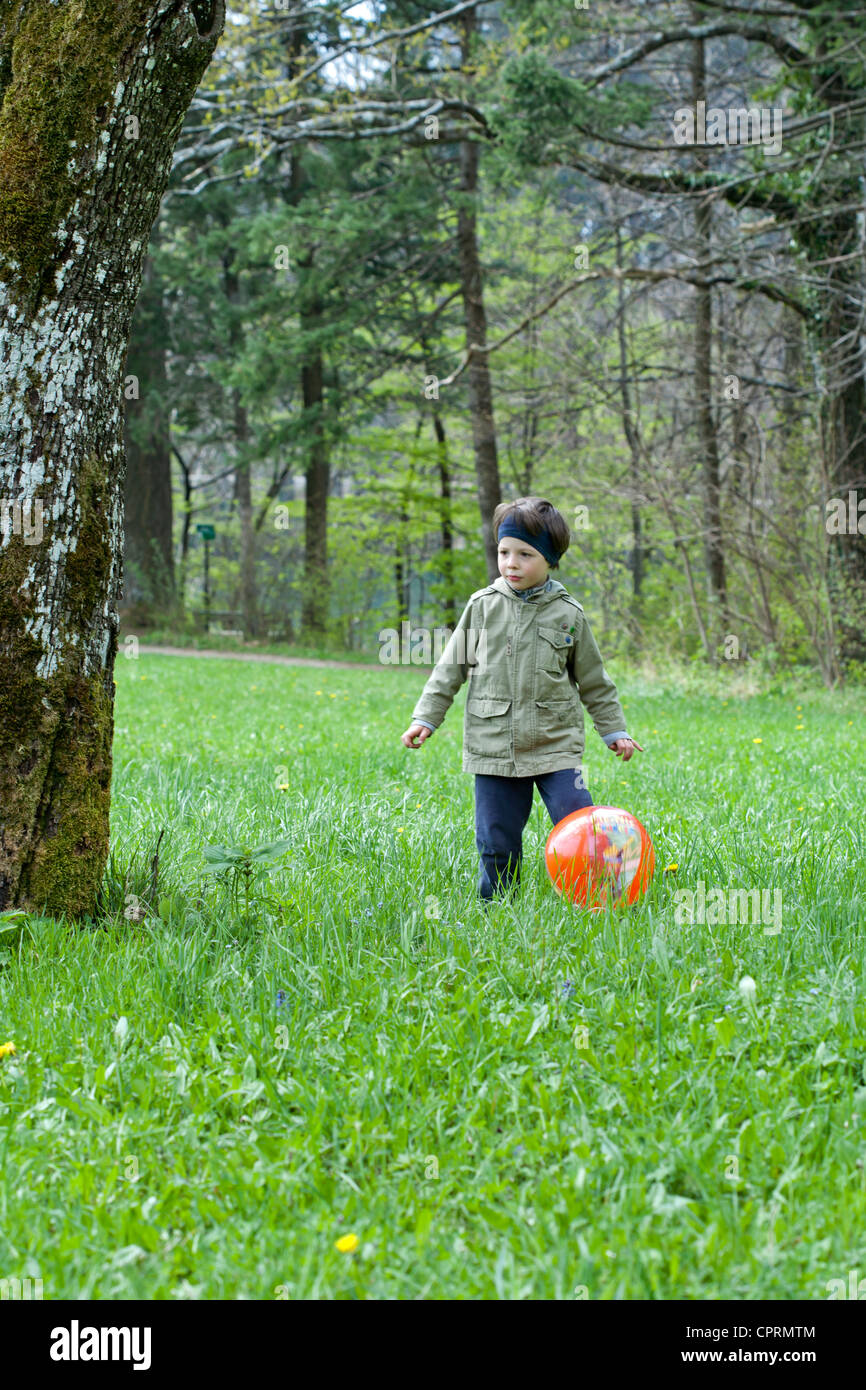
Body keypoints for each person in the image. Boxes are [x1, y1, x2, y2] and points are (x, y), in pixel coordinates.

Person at [400, 496, 643, 901]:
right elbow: (449, 669)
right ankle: (499, 906)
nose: (511, 563)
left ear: (550, 559)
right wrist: (425, 719)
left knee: (581, 823)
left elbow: (595, 681)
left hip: (556, 747)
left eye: (525, 554)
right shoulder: (482, 608)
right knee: (496, 838)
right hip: (493, 746)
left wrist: (614, 730)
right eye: (504, 552)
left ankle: (599, 895)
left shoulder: (569, 614)